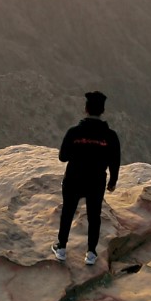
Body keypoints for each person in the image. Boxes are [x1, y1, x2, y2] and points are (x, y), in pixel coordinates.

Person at [52, 91, 121, 266]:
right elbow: (115, 161)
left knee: (68, 211)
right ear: (102, 110)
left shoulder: (74, 132)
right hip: (96, 180)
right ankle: (91, 252)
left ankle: (61, 248)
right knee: (94, 215)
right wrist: (112, 182)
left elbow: (62, 157)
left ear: (86, 109)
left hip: (74, 178)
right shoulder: (110, 136)